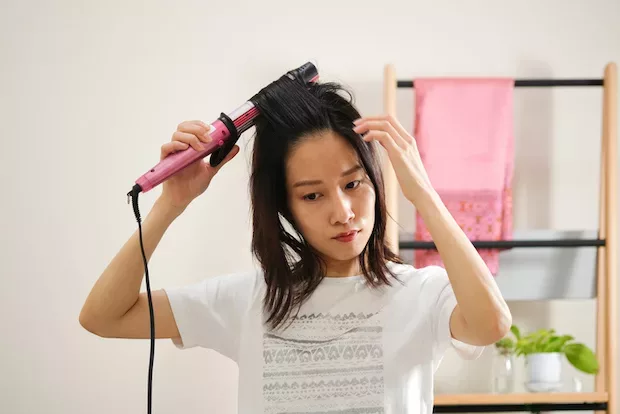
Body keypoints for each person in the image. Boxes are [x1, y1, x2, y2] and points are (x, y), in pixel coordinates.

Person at [79, 76, 512, 413]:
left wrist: (425, 195)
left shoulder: (423, 295)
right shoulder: (250, 301)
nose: (342, 211)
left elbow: (492, 324)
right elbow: (103, 316)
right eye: (312, 195)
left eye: (353, 183)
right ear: (284, 207)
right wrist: (169, 206)